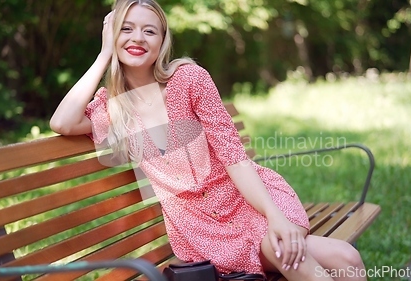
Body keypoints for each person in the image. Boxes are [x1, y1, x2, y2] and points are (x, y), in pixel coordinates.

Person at [49, 0, 367, 280]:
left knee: (345, 259)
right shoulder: (112, 108)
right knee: (322, 256)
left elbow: (234, 157)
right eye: (126, 28)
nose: (137, 38)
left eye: (150, 31)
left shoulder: (188, 80)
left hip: (248, 201)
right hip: (202, 227)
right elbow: (62, 122)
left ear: (162, 41)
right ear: (112, 35)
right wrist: (105, 54)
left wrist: (274, 215)